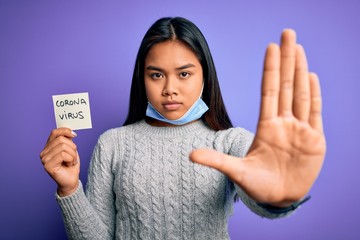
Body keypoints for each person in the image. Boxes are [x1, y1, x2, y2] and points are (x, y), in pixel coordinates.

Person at [40, 17, 326, 239]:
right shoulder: (113, 144)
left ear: (205, 76)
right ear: (142, 78)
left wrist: (277, 197)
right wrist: (69, 189)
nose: (169, 89)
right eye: (156, 75)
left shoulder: (230, 143)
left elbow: (261, 194)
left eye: (184, 74)